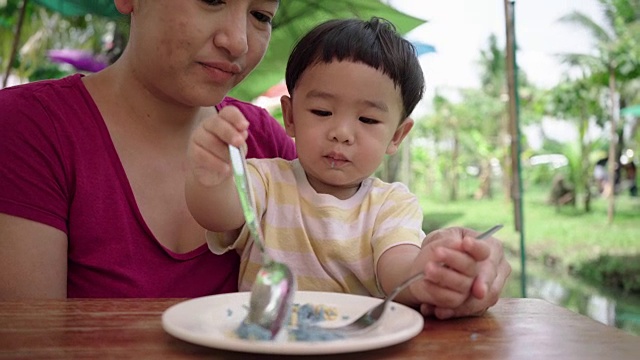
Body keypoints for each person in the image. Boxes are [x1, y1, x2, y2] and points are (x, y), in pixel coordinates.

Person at [0, 1, 508, 319]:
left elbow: (355, 235)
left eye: (261, 15)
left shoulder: (263, 136)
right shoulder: (30, 126)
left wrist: (445, 274)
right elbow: (32, 337)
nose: (237, 41)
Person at [185, 17, 504, 311]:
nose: (341, 133)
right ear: (291, 116)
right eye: (322, 112)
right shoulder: (267, 181)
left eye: (367, 119)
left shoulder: (391, 206)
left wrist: (428, 271)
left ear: (397, 135)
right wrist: (213, 176)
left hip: (356, 345)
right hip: (269, 342)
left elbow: (397, 268)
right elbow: (218, 214)